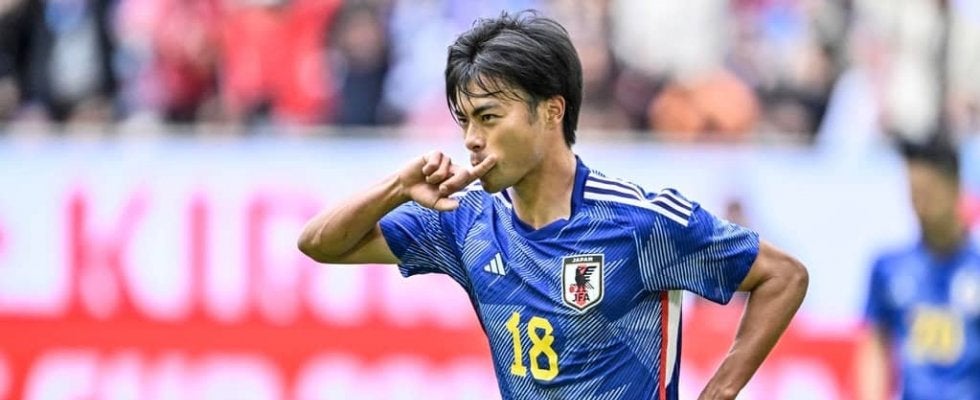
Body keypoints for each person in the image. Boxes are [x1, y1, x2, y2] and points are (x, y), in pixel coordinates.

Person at [298, 11, 808, 399]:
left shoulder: (640, 221)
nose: (472, 139)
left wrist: (720, 391)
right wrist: (397, 187)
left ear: (551, 111)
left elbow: (783, 276)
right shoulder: (464, 221)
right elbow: (320, 244)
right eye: (464, 121)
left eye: (489, 117)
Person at [857, 140, 980, 400]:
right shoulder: (888, 268)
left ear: (955, 187)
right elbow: (875, 345)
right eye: (914, 194)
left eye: (929, 193)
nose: (920, 206)